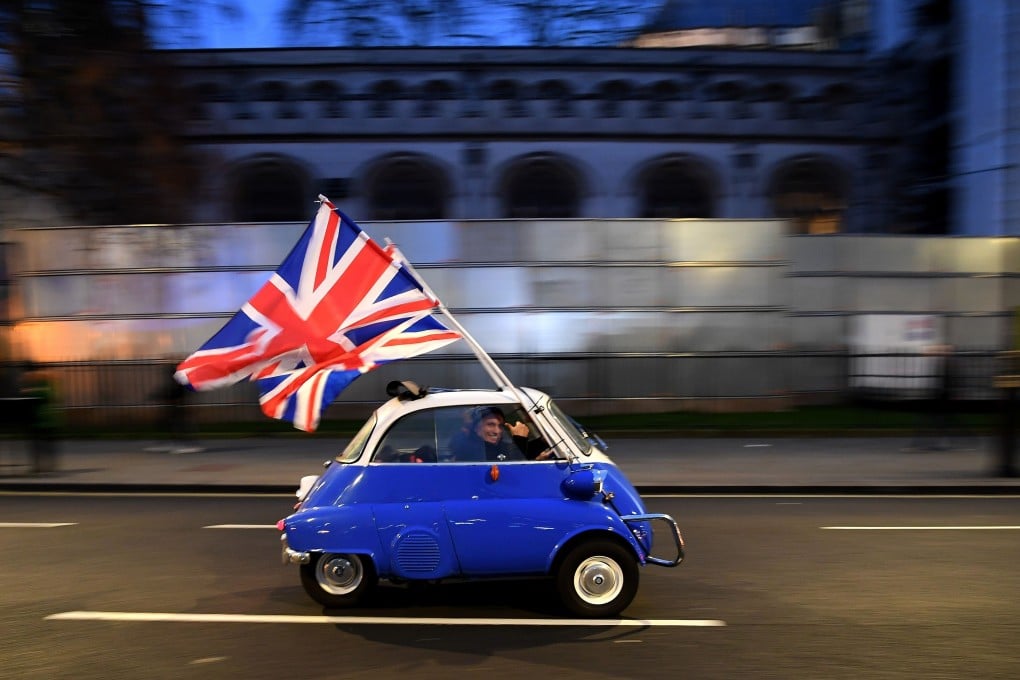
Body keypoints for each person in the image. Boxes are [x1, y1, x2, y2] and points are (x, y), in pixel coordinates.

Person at [449, 405, 555, 462]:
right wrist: (519, 439)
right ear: (476, 428)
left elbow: (516, 452)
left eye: (500, 426)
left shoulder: (498, 447)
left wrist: (542, 442)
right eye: (490, 424)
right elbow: (511, 472)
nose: (497, 431)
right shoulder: (470, 450)